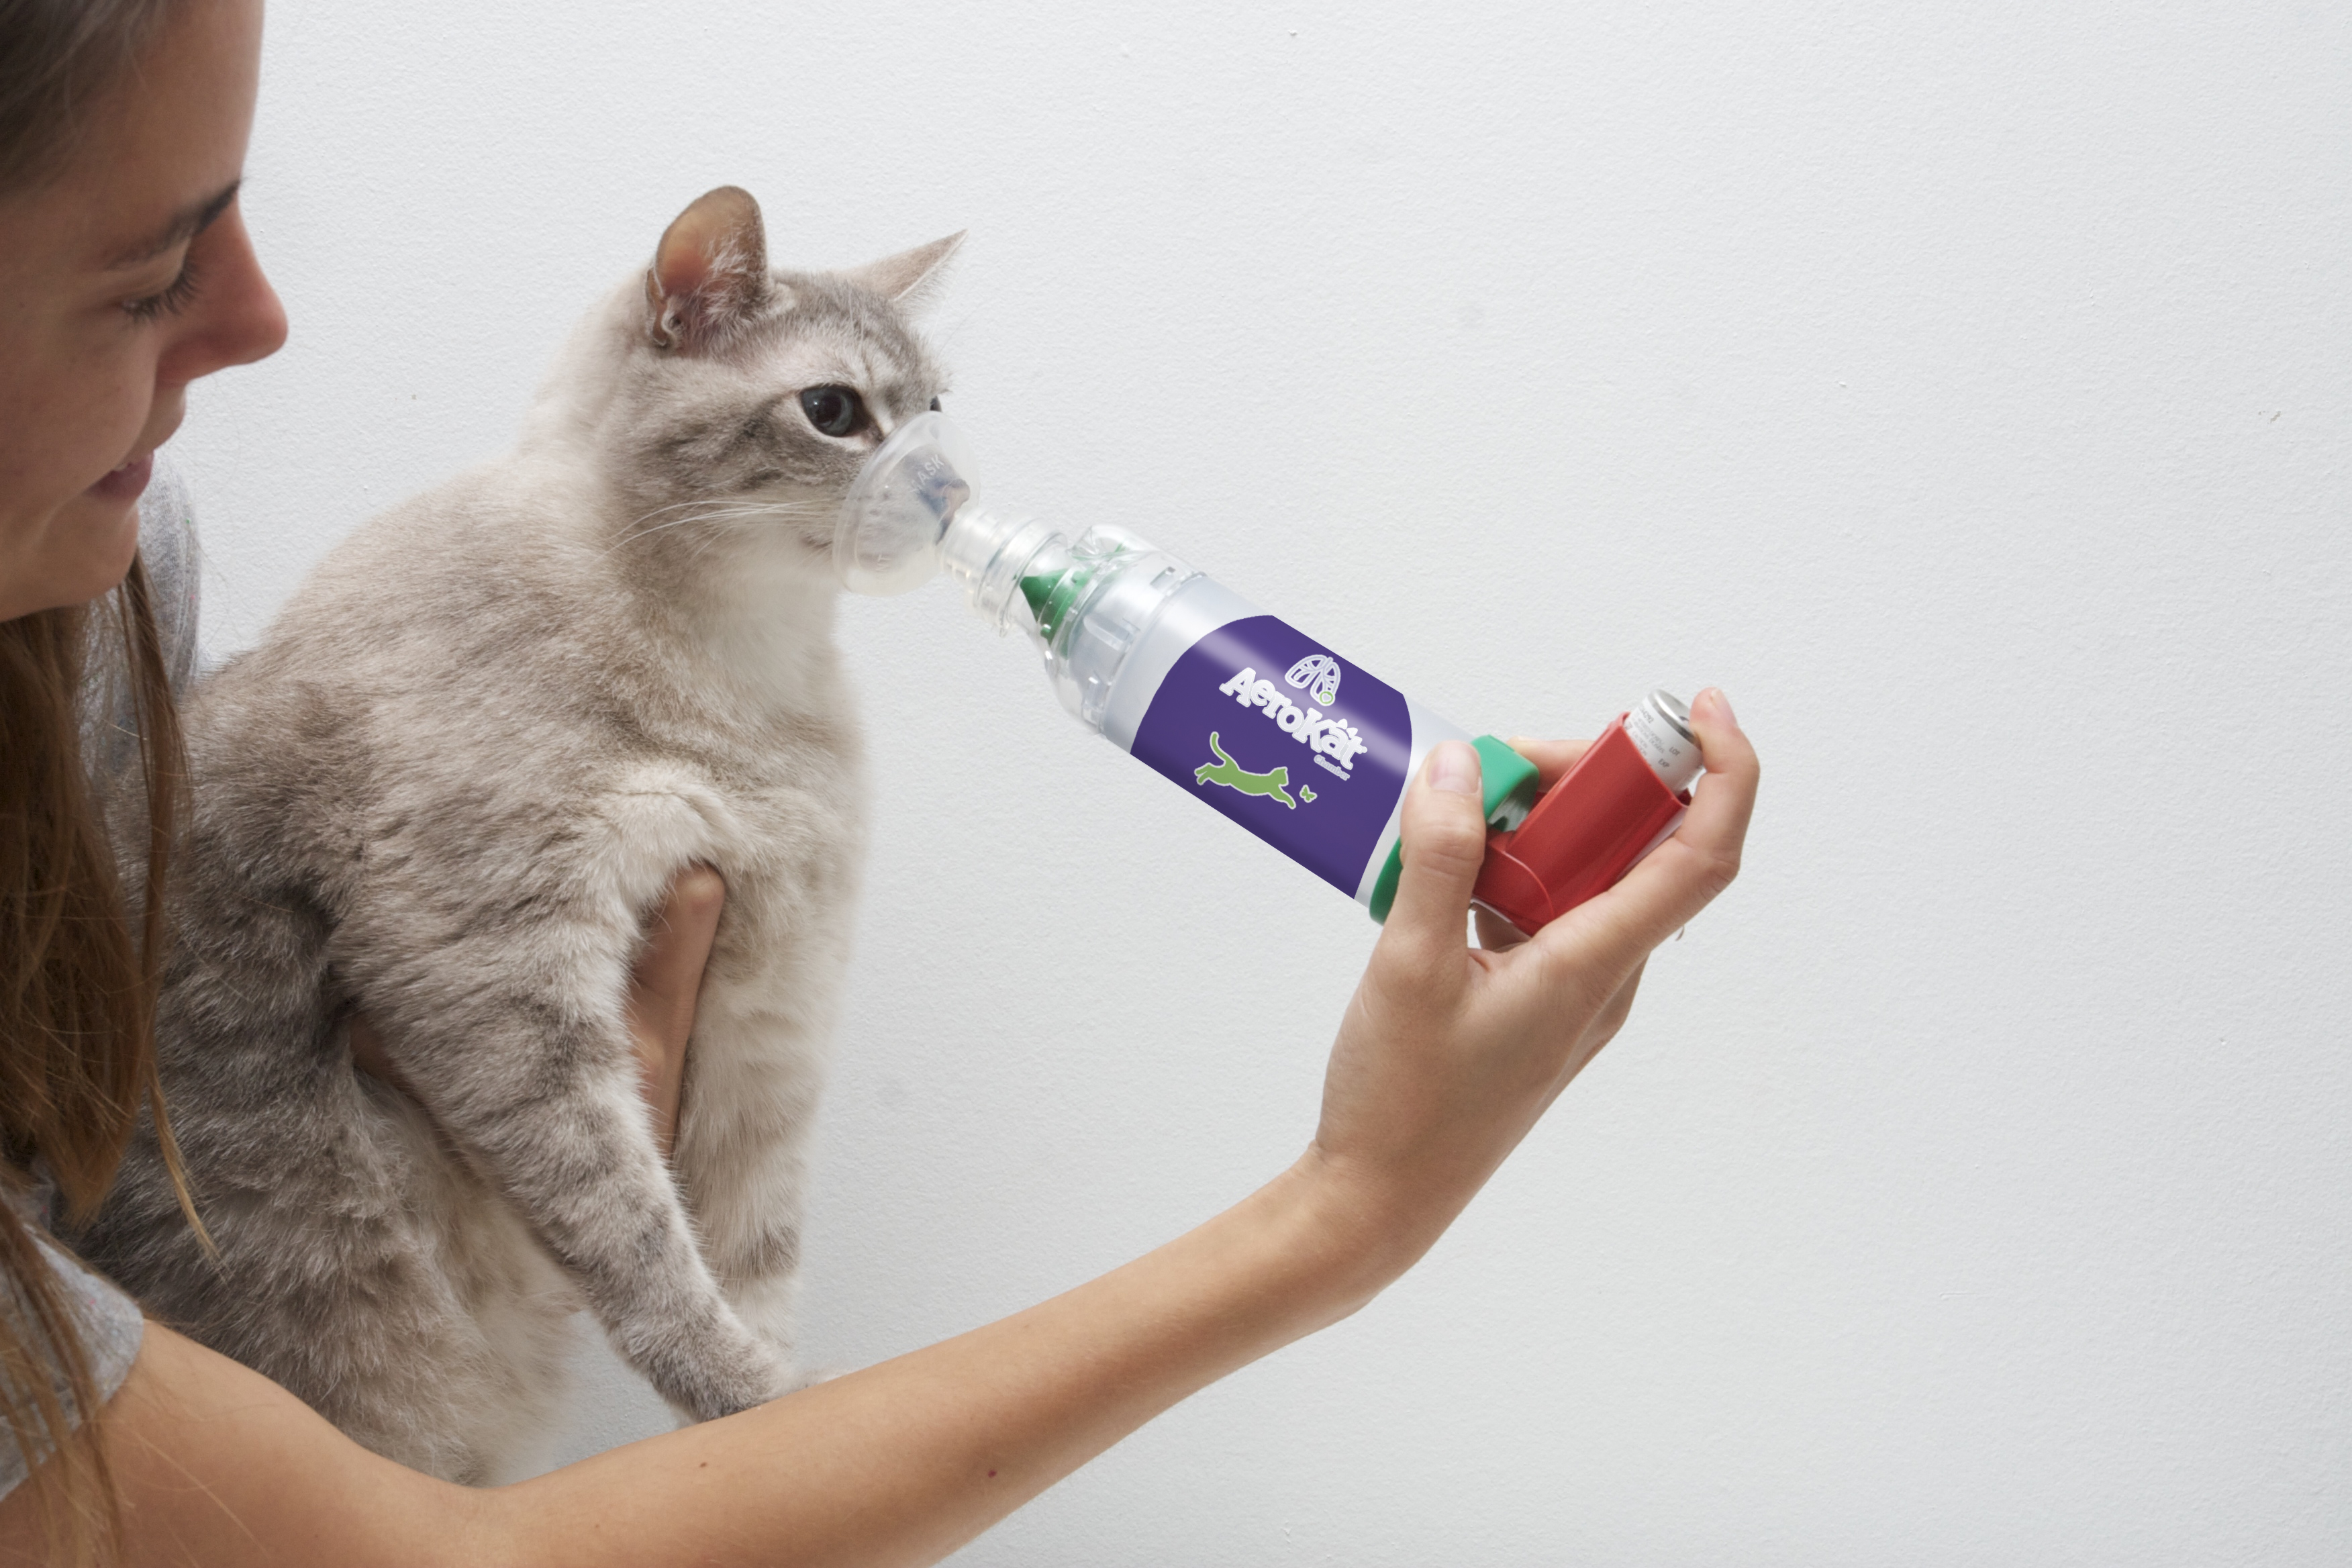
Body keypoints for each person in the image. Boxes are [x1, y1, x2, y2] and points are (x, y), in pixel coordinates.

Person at [0, 0, 1761, 1562]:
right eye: (155, 271)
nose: (262, 322)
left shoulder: (107, 574)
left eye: (236, 223)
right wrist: (1349, 1210)